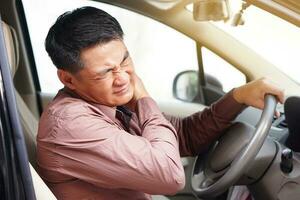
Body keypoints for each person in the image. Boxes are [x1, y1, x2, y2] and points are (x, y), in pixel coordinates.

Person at [36, 6, 284, 200]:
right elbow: (169, 175)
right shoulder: (72, 125)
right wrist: (144, 98)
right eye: (105, 72)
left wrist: (238, 97)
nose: (123, 78)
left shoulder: (108, 103)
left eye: (124, 61)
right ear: (68, 78)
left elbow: (182, 137)